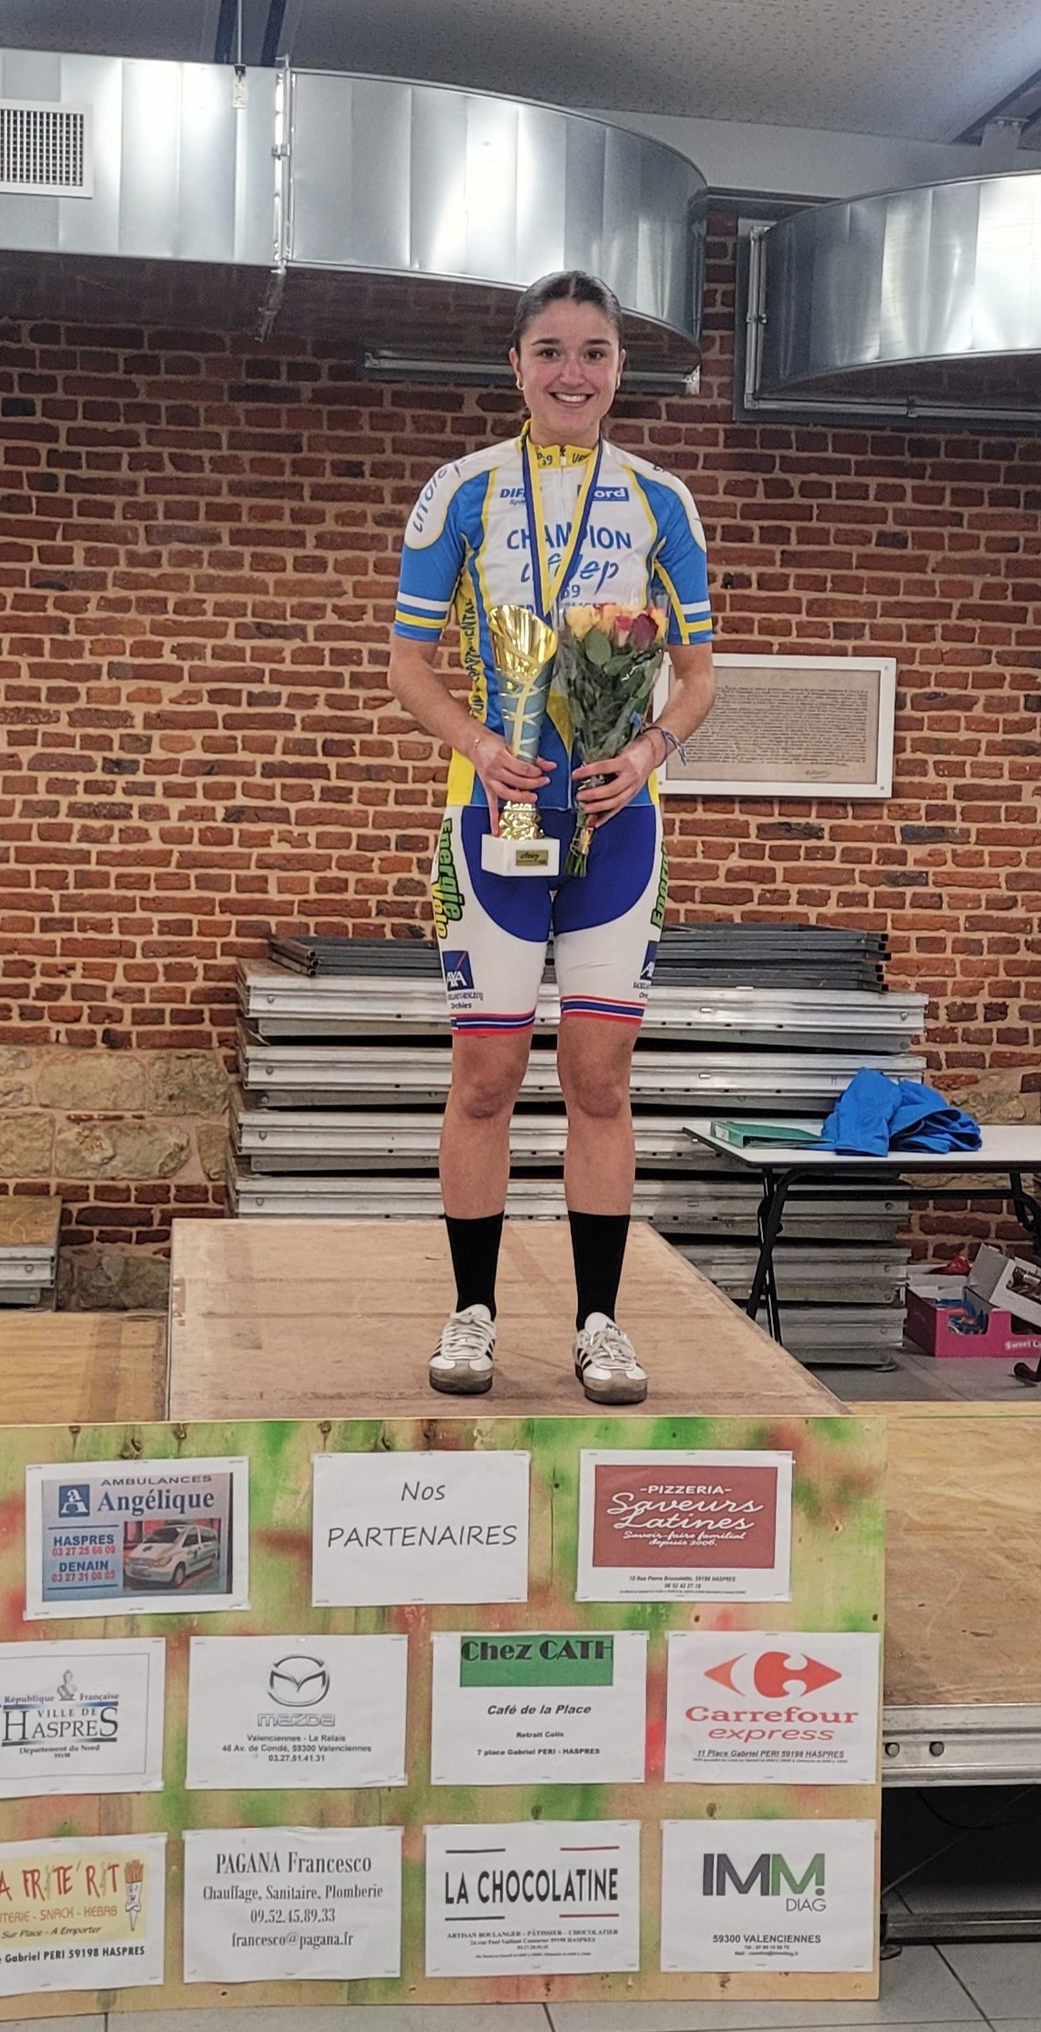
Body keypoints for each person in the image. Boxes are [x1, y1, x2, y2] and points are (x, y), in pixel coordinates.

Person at [388, 269, 716, 1405]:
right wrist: (480, 745)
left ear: (619, 370)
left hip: (618, 823)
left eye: (593, 352)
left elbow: (698, 671)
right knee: (484, 1077)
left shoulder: (661, 499)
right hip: (493, 815)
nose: (571, 373)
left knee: (599, 1078)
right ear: (515, 367)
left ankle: (599, 1323)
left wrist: (647, 751)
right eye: (549, 351)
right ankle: (472, 1310)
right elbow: (407, 664)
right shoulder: (461, 489)